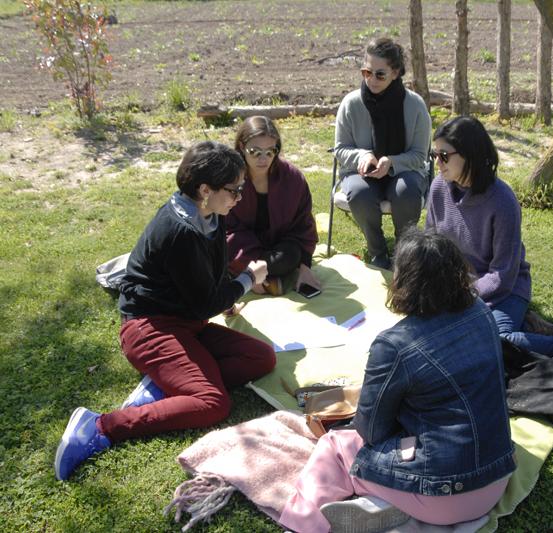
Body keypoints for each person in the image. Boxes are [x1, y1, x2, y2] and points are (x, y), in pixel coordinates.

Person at [54, 141, 277, 481]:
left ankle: (168, 385)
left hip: (187, 322)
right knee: (212, 403)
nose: (240, 197)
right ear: (205, 189)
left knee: (262, 358)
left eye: (241, 188)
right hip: (150, 328)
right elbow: (205, 301)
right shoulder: (181, 231)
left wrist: (229, 290)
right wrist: (248, 278)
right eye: (234, 190)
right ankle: (102, 426)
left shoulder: (209, 216)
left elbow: (210, 281)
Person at [279, 228, 516, 533]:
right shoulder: (482, 312)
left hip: (442, 493)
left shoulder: (394, 344)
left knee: (336, 446)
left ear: (403, 280)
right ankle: (386, 505)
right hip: (496, 479)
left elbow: (371, 430)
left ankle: (302, 526)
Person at [425, 116, 553, 375]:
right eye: (434, 154)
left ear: (469, 154)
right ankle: (528, 325)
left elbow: (502, 275)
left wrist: (462, 296)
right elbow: (432, 246)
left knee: (497, 343)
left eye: (444, 155)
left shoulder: (502, 201)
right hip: (459, 289)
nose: (437, 162)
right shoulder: (438, 188)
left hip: (504, 291)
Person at [334, 37, 431, 270]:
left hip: (405, 171)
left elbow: (420, 154)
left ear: (396, 72)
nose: (371, 80)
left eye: (380, 74)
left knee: (405, 192)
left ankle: (404, 251)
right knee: (359, 193)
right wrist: (363, 156)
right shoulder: (351, 103)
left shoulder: (415, 105)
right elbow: (340, 150)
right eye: (366, 72)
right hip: (361, 173)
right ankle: (377, 251)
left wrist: (392, 161)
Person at [226, 115, 319, 296]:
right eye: (255, 151)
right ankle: (256, 277)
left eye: (270, 151)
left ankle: (257, 279)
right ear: (242, 147)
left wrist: (305, 267)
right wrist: (246, 264)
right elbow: (225, 229)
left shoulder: (292, 178)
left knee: (291, 255)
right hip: (242, 249)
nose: (263, 159)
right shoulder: (229, 179)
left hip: (277, 250)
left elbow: (303, 224)